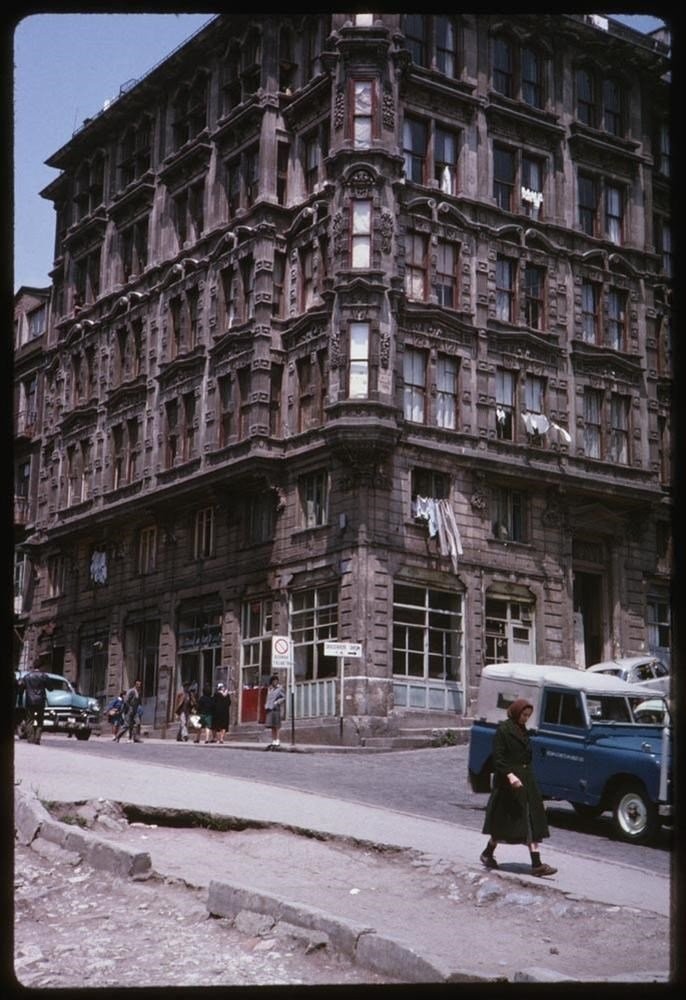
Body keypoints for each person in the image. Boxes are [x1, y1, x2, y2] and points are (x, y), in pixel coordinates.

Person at [480, 698, 557, 878]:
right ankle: (487, 853)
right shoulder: (504, 730)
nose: (525, 718)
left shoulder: (523, 731)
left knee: (530, 822)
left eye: (528, 716)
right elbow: (498, 759)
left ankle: (536, 864)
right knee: (505, 826)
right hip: (509, 785)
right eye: (524, 715)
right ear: (516, 712)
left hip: (526, 782)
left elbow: (526, 760)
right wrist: (510, 775)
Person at [20, 662, 50, 745]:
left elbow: (21, 688)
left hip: (30, 701)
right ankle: (37, 738)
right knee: (40, 720)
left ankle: (30, 738)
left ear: (33, 667)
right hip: (40, 701)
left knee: (29, 720)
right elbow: (50, 688)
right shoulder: (44, 676)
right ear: (40, 667)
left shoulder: (27, 676)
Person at [264, 674, 286, 751]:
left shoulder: (280, 689)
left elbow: (283, 697)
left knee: (277, 725)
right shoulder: (270, 689)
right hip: (269, 708)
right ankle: (273, 740)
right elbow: (268, 698)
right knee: (272, 725)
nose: (275, 682)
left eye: (276, 681)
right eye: (274, 681)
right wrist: (266, 705)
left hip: (276, 708)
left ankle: (277, 740)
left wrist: (277, 702)